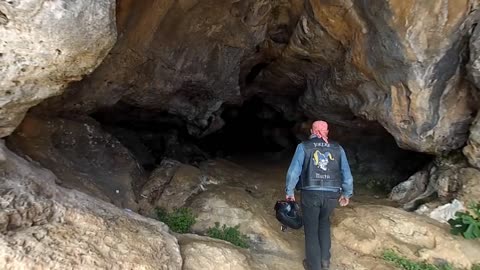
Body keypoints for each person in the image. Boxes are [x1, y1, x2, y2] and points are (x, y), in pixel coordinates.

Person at [285, 120, 353, 270]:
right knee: (324, 223)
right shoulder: (338, 148)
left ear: (311, 131)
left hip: (311, 193)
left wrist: (289, 192)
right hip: (331, 195)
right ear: (327, 132)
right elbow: (346, 174)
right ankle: (325, 262)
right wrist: (347, 193)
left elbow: (293, 172)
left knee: (311, 229)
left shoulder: (303, 147)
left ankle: (314, 266)